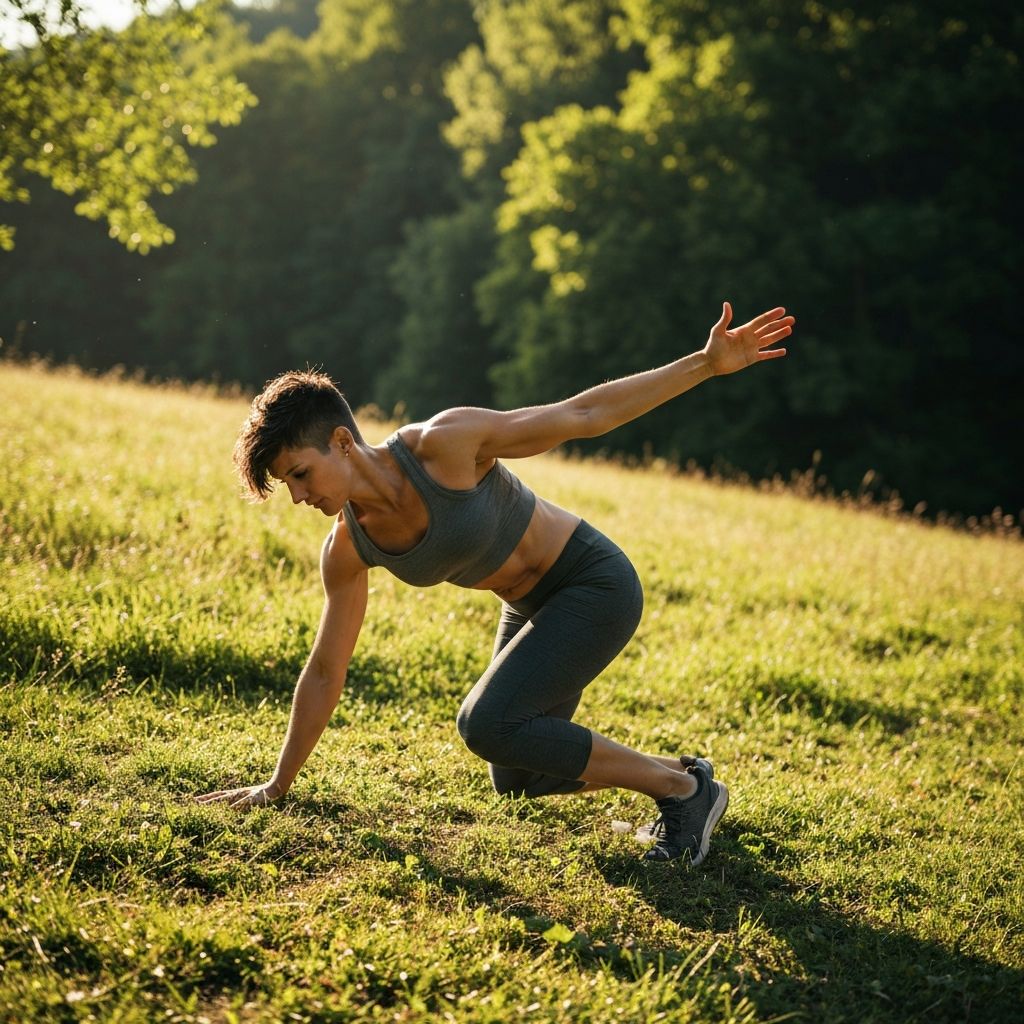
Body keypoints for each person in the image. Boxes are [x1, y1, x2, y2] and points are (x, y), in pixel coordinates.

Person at [198, 301, 794, 864]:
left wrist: (706, 363)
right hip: (530, 605)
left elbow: (582, 416)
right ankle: (688, 775)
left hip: (591, 581)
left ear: (342, 441)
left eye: (300, 473)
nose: (299, 495)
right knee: (520, 775)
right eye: (288, 485)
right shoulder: (349, 547)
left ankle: (681, 792)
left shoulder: (443, 445)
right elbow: (328, 668)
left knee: (486, 724)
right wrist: (278, 785)